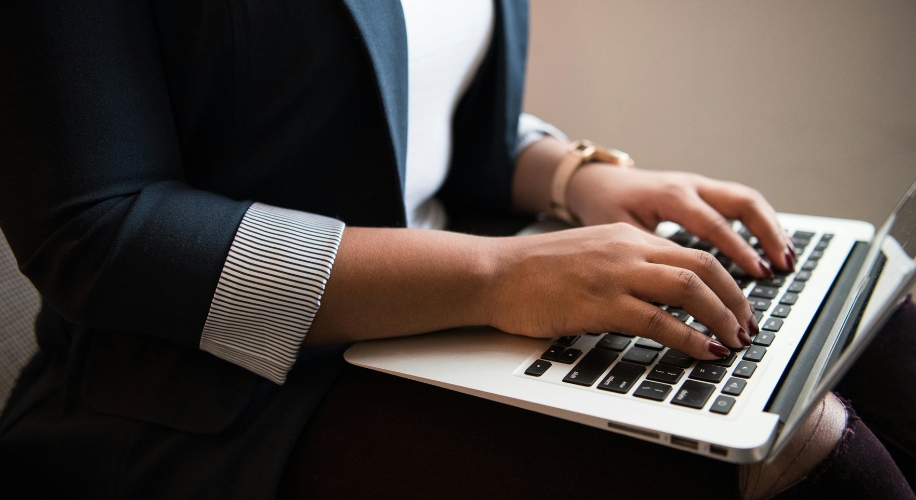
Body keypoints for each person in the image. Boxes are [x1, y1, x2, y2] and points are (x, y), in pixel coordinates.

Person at [0, 0, 912, 498]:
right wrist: (498, 275)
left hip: (454, 320)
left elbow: (402, 107)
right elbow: (95, 227)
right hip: (207, 393)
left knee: (886, 337)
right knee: (802, 453)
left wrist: (577, 178)